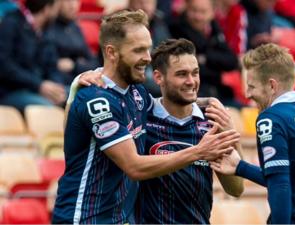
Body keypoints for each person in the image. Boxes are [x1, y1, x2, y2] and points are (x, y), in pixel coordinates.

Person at [52, 10, 240, 224]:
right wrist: (199, 151)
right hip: (83, 219)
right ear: (112, 52)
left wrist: (206, 102)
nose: (148, 58)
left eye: (148, 48)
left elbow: (165, 102)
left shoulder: (137, 93)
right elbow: (134, 166)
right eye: (139, 50)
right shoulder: (98, 100)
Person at [211, 43, 295, 224]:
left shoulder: (271, 118)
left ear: (272, 86)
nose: (247, 94)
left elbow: (281, 185)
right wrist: (240, 167)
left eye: (251, 86)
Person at [134, 38, 244, 224]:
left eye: (195, 73)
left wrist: (230, 134)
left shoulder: (211, 121)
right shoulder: (142, 117)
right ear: (158, 77)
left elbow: (236, 189)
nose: (191, 81)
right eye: (182, 74)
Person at [169, 0, 241, 108]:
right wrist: (219, 74)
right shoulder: (176, 29)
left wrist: (205, 57)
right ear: (186, 8)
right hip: (194, 94)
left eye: (203, 12)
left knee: (243, 112)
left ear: (212, 13)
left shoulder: (214, 28)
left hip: (219, 92)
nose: (198, 16)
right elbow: (193, 69)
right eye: (194, 11)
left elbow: (231, 60)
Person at [0, 0, 66, 112]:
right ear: (47, 9)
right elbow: (4, 66)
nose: (58, 11)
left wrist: (56, 87)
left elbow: (51, 65)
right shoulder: (11, 22)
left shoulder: (46, 29)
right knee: (48, 109)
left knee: (78, 98)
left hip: (39, 88)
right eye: (56, 7)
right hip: (12, 91)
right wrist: (39, 85)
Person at [45, 0, 99, 85]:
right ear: (57, 3)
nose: (73, 5)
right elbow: (52, 66)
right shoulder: (48, 28)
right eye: (67, 1)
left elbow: (94, 63)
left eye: (76, 0)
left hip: (81, 80)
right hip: (60, 84)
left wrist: (74, 65)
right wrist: (81, 63)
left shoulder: (75, 28)